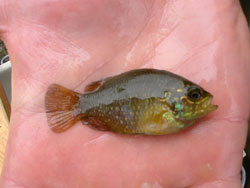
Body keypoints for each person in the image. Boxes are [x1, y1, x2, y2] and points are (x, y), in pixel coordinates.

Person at [0, 0, 249, 187]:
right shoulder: (169, 113)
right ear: (173, 100)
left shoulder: (173, 111)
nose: (201, 99)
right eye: (194, 96)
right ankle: (80, 105)